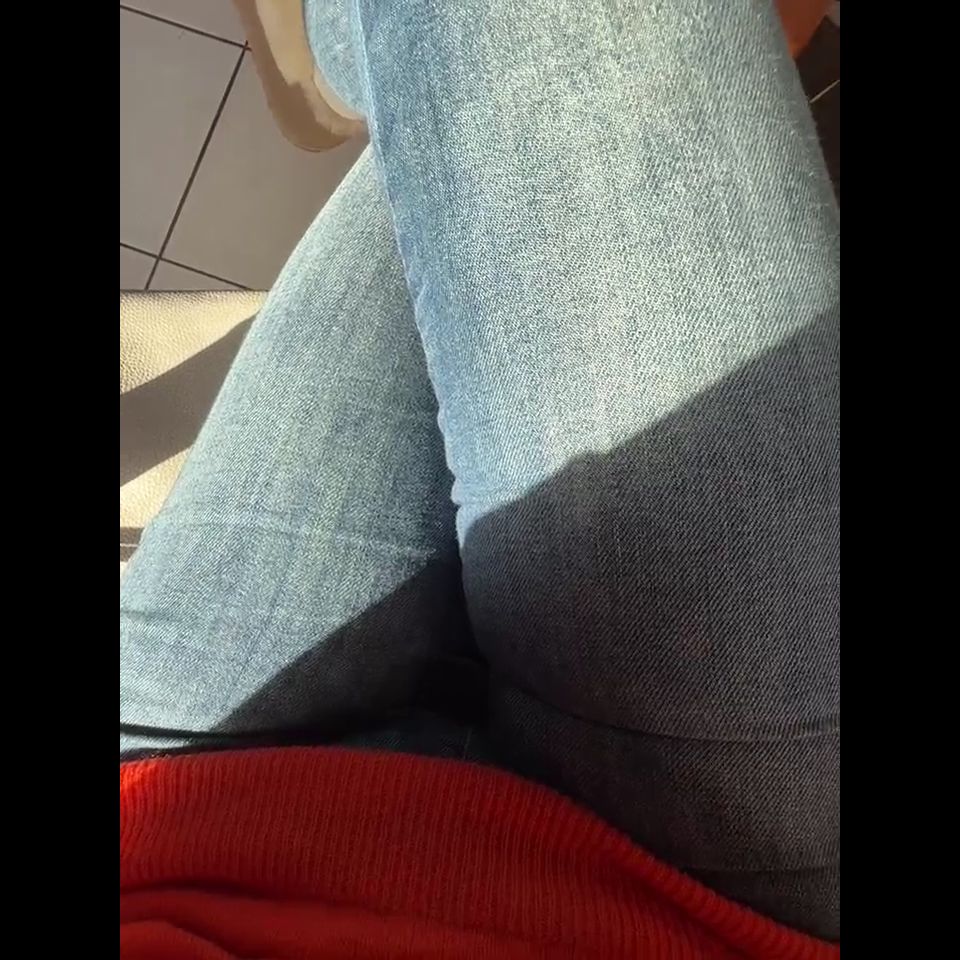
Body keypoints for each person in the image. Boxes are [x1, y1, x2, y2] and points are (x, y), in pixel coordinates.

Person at [120, 0, 840, 956]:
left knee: (472, 107)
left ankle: (337, 54)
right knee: (521, 65)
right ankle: (335, 51)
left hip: (176, 811)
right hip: (697, 898)